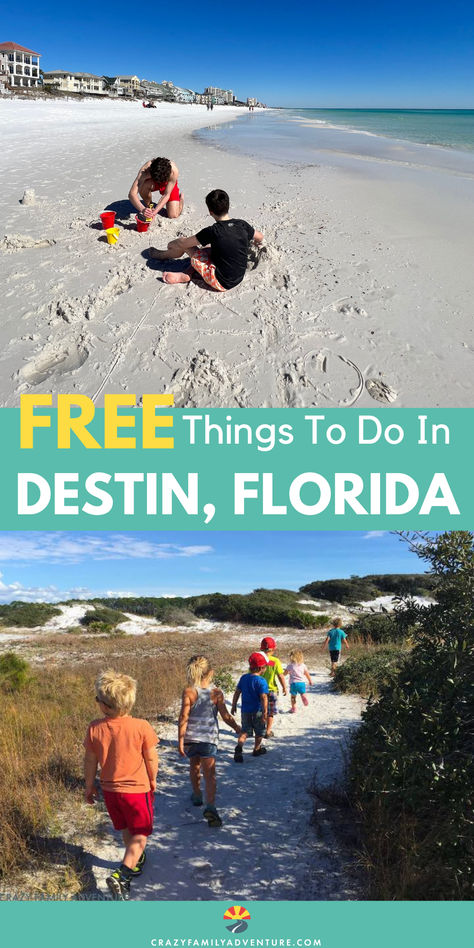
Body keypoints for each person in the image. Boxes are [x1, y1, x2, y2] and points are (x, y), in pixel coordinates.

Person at [83, 669, 159, 901]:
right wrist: (153, 779)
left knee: (127, 827)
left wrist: (89, 786)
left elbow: (89, 761)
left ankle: (134, 862)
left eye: (98, 700)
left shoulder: (95, 728)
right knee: (141, 834)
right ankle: (122, 875)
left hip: (110, 791)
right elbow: (151, 757)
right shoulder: (141, 726)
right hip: (137, 790)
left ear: (104, 706)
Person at [149, 188, 264, 290]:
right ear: (228, 206)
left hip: (221, 282)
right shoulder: (242, 224)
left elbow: (185, 244)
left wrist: (173, 243)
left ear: (210, 212)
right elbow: (260, 237)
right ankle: (188, 271)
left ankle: (163, 256)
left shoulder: (213, 231)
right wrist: (253, 242)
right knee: (210, 247)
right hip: (238, 276)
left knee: (185, 244)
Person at [178, 655, 241, 827]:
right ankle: (211, 806)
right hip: (208, 739)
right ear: (211, 672)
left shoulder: (189, 691)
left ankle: (197, 795)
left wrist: (180, 740)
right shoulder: (216, 693)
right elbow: (225, 716)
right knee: (210, 774)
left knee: (194, 766)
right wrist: (236, 728)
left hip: (191, 738)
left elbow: (183, 716)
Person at [231, 652, 269, 762]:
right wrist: (265, 712)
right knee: (259, 732)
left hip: (245, 711)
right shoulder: (261, 681)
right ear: (261, 668)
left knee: (244, 731)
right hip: (258, 711)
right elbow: (263, 697)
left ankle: (239, 747)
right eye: (265, 667)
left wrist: (234, 705)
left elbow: (237, 692)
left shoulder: (244, 678)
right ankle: (256, 749)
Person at [258, 636, 287, 737]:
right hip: (271, 691)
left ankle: (259, 730)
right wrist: (284, 687)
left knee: (260, 711)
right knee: (270, 713)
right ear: (273, 649)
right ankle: (268, 731)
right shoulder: (275, 661)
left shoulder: (258, 659)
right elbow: (281, 676)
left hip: (258, 691)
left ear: (261, 648)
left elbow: (251, 674)